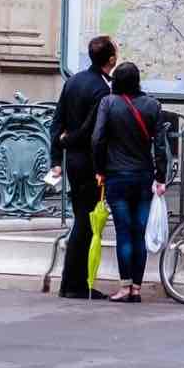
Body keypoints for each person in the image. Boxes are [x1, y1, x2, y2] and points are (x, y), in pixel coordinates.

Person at [92, 61, 168, 303]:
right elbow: (161, 146)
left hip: (116, 176)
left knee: (124, 233)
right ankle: (136, 287)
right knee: (139, 233)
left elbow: (97, 139)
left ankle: (125, 286)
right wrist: (161, 177)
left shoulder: (108, 103)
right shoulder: (152, 105)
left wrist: (100, 169)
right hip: (143, 176)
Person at [49, 35, 116, 299]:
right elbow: (92, 131)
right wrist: (69, 141)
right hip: (90, 162)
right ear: (111, 59)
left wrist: (57, 156)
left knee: (82, 219)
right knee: (86, 223)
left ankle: (71, 282)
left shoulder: (74, 81)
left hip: (72, 163)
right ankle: (75, 284)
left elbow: (57, 121)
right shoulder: (102, 89)